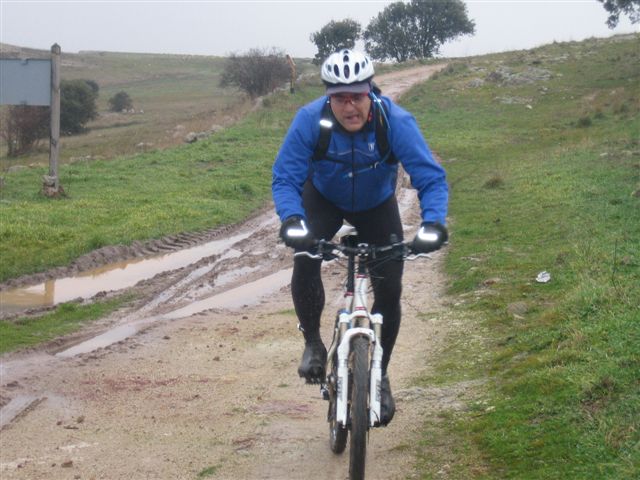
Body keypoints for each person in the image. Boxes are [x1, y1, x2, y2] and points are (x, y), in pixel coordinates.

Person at [272, 49, 448, 425]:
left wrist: (432, 223)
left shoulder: (394, 121)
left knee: (390, 288)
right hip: (324, 199)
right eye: (340, 98)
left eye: (357, 96)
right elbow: (285, 177)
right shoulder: (309, 120)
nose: (349, 106)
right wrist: (292, 220)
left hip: (376, 204)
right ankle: (313, 343)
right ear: (329, 97)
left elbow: (430, 177)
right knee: (305, 256)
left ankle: (379, 375)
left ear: (371, 91)